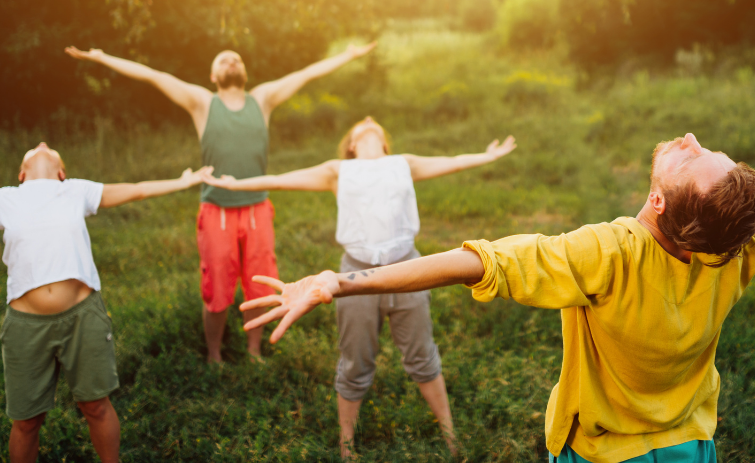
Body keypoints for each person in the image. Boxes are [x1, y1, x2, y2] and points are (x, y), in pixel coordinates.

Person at [236, 119, 755, 463]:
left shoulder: (610, 253)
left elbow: (471, 263)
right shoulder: (744, 231)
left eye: (694, 157)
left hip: (601, 454)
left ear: (661, 207)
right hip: (692, 448)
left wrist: (337, 281)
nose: (692, 137)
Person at [204, 116, 517, 458]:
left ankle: (451, 437)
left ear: (385, 142)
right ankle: (346, 446)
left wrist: (487, 157)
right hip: (354, 274)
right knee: (355, 361)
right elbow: (280, 180)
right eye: (361, 125)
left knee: (422, 355)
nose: (368, 121)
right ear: (351, 145)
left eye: (375, 124)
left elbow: (453, 162)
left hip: (408, 268)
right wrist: (234, 186)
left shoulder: (403, 164)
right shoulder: (339, 170)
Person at [65, 42, 375, 363]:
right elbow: (154, 76)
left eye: (236, 58)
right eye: (223, 60)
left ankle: (253, 351)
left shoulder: (263, 99)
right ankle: (214, 355)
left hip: (257, 209)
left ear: (244, 72)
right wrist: (102, 57)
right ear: (213, 75)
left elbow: (307, 74)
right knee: (217, 289)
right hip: (217, 212)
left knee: (261, 284)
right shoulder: (202, 102)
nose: (231, 61)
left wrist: (348, 55)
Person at [1, 142, 211, 463]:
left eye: (49, 147)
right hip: (25, 327)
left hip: (82, 318)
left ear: (61, 173)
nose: (43, 143)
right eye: (35, 146)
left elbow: (138, 190)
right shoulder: (7, 198)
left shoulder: (73, 191)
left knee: (95, 406)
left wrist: (183, 182)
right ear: (21, 174)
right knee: (27, 422)